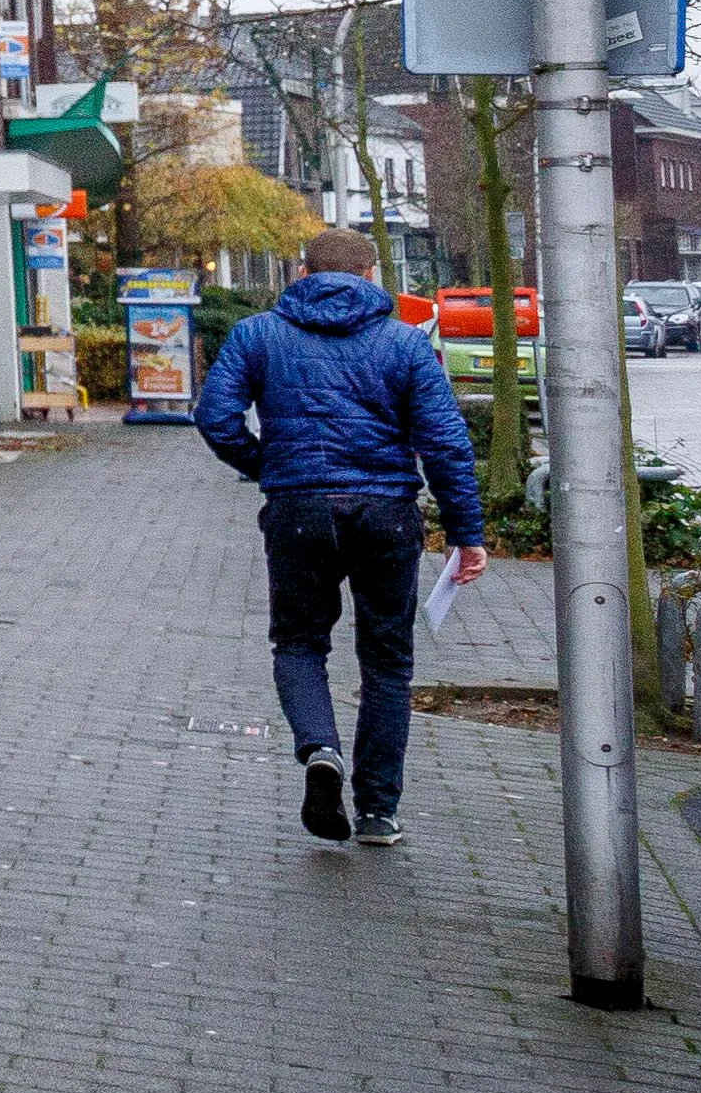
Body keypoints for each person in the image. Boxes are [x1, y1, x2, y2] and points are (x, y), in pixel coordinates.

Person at [192, 230, 487, 848]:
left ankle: (320, 747)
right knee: (386, 663)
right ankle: (378, 811)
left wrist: (266, 466)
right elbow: (446, 444)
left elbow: (214, 416)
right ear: (372, 275)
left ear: (302, 272)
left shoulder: (258, 334)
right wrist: (467, 534)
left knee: (299, 642)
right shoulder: (406, 344)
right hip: (386, 514)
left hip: (299, 510)